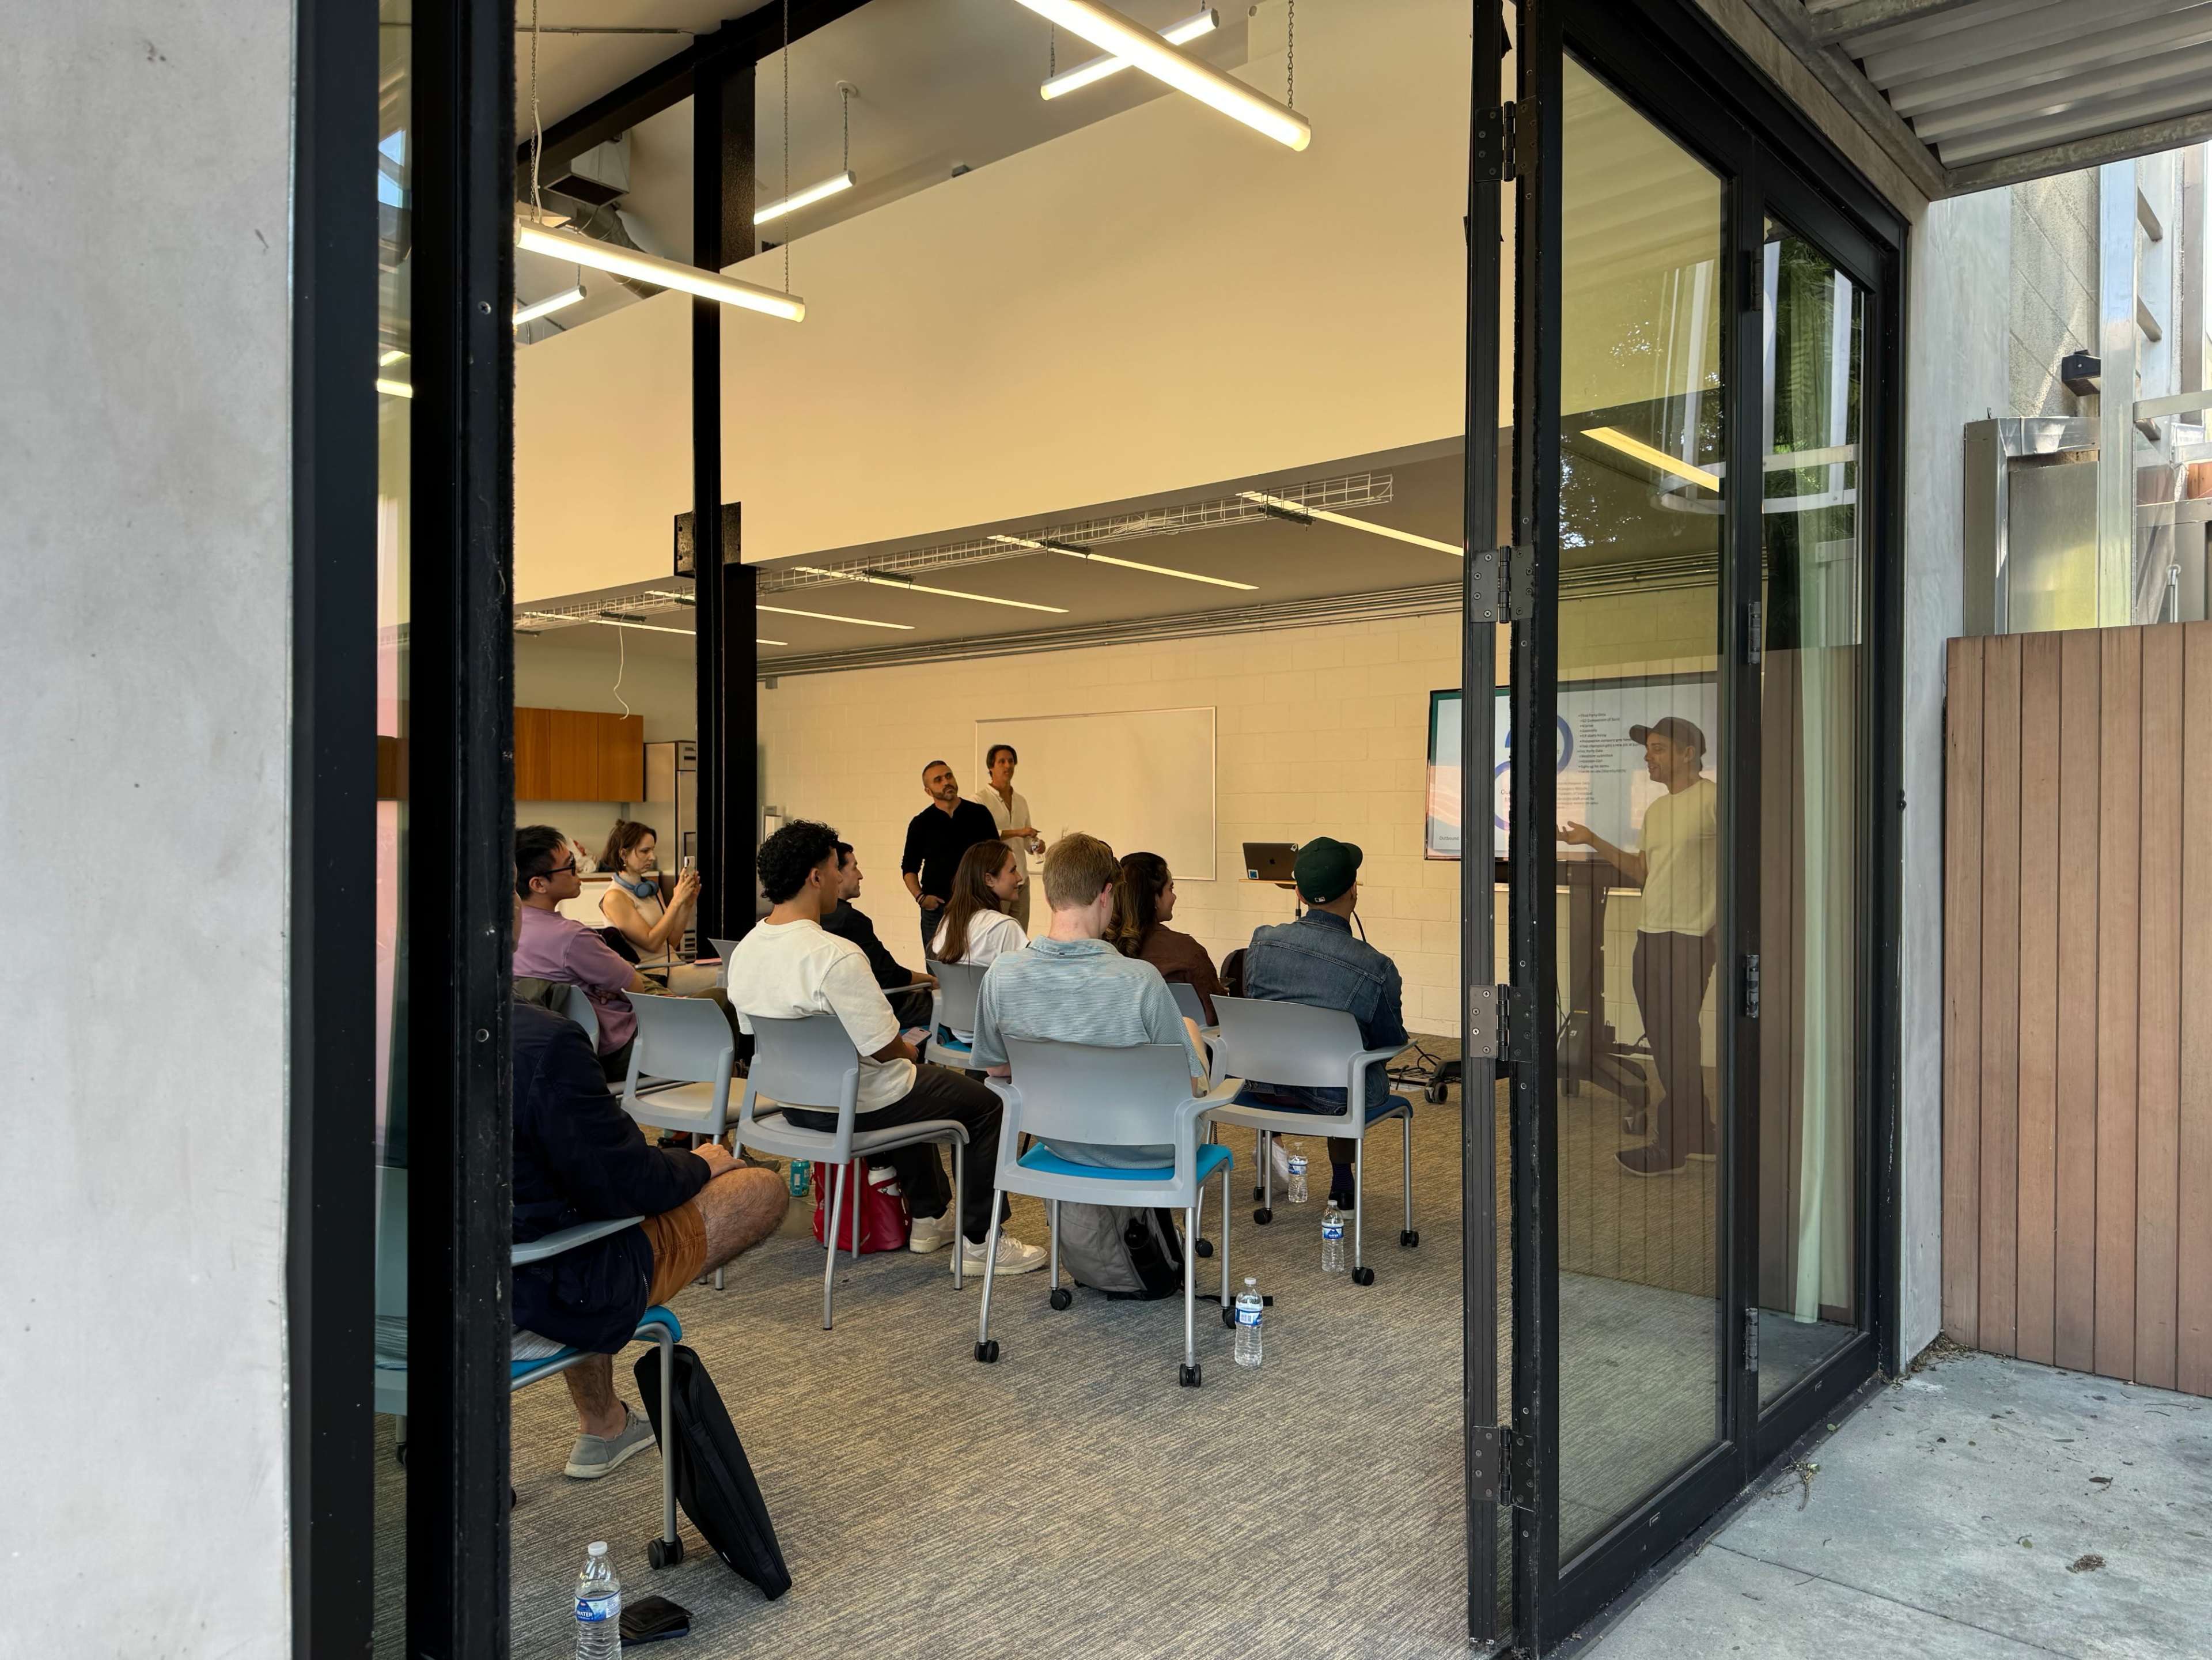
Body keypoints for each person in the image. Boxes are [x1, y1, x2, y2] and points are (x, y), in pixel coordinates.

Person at [509, 899, 789, 1480]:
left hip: (398, 1288)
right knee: (758, 1188)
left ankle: (606, 1422)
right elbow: (626, 1186)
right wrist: (697, 1164)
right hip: (536, 1281)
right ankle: (603, 1420)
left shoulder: (366, 1028)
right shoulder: (543, 1043)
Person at [726, 819, 1046, 1274]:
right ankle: (981, 1242)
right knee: (981, 1104)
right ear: (816, 877)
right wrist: (909, 1050)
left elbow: (756, 1031)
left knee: (912, 1088)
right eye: (836, 868)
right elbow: (882, 1048)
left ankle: (929, 1219)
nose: (841, 878)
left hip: (793, 1103)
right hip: (853, 1101)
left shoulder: (747, 949)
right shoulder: (835, 953)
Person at [970, 833, 1211, 1170]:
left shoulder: (1001, 975)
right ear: (1107, 894)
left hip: (1058, 1139)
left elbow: (996, 1067)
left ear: (1048, 892)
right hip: (1153, 1146)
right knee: (1189, 1030)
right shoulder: (1140, 981)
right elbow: (1183, 1087)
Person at [1559, 716, 1717, 1178]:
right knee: (1672, 1044)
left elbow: (1742, 866)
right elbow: (1643, 872)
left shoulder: (1714, 801)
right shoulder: (1656, 811)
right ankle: (1703, 1133)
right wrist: (1591, 840)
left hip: (1690, 938)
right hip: (1651, 936)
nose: (1649, 756)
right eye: (1648, 749)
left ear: (1689, 753)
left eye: (1659, 748)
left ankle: (1673, 1144)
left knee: (1675, 1044)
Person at [1238, 836, 1408, 1211]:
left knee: (1300, 1047)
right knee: (1352, 1062)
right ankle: (1342, 1178)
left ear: (1298, 892)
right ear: (1353, 892)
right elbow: (1390, 1038)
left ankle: (1276, 1155)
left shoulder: (1261, 942)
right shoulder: (1376, 967)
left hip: (1265, 1086)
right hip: (1336, 1098)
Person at [514, 824, 740, 1084]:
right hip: (616, 1051)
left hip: (556, 1055)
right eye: (570, 866)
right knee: (720, 999)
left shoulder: (508, 935)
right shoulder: (572, 936)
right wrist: (606, 984)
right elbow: (633, 983)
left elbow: (667, 946)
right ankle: (722, 1088)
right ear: (539, 884)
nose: (578, 872)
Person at [820, 840, 937, 1032]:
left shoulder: (813, 920)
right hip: (870, 1013)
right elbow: (890, 977)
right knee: (944, 1004)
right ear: (837, 873)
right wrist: (929, 979)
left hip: (834, 1020)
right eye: (855, 867)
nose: (861, 875)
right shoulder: (852, 921)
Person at [901, 759, 1002, 959]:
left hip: (977, 905)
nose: (946, 782)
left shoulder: (979, 814)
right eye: (938, 780)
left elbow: (998, 856)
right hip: (937, 909)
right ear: (928, 791)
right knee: (937, 967)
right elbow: (909, 868)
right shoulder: (921, 823)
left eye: (949, 776)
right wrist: (921, 898)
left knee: (980, 963)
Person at [1108, 850, 1225, 1022]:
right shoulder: (1187, 951)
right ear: (1154, 898)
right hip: (1185, 1046)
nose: (1174, 897)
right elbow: (1217, 1014)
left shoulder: (1100, 948)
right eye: (1170, 889)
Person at [598, 818, 700, 975]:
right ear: (623, 854)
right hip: (654, 975)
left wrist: (686, 904)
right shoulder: (615, 897)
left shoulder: (650, 889)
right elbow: (652, 943)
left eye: (653, 850)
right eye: (645, 851)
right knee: (723, 974)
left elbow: (671, 942)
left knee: (723, 971)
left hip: (674, 967)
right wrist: (676, 901)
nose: (652, 857)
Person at [977, 742, 1044, 931]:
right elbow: (983, 838)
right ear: (991, 767)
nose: (1008, 766)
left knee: (1020, 934)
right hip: (997, 882)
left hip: (1021, 878)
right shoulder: (980, 800)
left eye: (1011, 761)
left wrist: (1036, 845)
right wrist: (1019, 832)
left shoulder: (1021, 800)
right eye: (1002, 762)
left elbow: (1027, 840)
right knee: (998, 933)